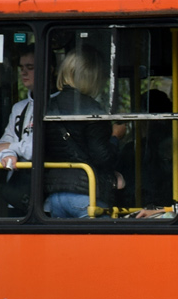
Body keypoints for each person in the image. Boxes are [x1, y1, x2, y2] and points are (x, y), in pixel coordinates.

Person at [43, 48, 120, 218]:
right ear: (93, 77)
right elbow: (102, 157)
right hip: (86, 195)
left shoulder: (48, 105)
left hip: (54, 195)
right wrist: (115, 137)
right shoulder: (93, 109)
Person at [0, 50, 36, 214]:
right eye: (21, 67)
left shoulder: (58, 106)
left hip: (47, 198)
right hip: (18, 193)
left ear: (50, 68)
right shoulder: (19, 108)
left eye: (30, 67)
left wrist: (11, 147)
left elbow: (38, 150)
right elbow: (1, 144)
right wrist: (6, 156)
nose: (24, 72)